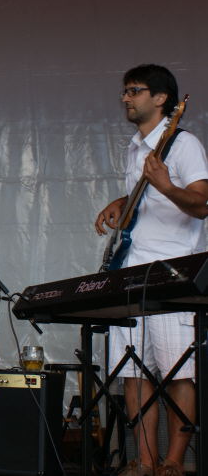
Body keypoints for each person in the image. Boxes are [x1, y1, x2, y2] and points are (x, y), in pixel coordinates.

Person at [95, 64, 208, 476]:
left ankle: (174, 462)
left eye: (135, 90)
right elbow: (148, 199)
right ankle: (144, 461)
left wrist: (165, 186)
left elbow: (201, 204)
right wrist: (123, 201)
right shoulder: (136, 147)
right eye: (125, 90)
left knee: (179, 373)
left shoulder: (183, 143)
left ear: (161, 98)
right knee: (133, 373)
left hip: (172, 274)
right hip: (132, 272)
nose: (125, 97)